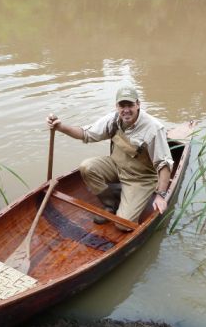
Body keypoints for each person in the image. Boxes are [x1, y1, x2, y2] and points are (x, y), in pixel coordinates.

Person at [46, 83, 173, 228]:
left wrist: (161, 195)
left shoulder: (153, 128)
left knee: (124, 225)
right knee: (87, 167)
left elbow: (165, 165)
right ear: (116, 106)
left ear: (138, 104)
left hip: (140, 179)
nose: (126, 110)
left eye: (130, 105)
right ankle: (110, 203)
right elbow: (86, 134)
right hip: (117, 166)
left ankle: (127, 195)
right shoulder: (112, 120)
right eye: (122, 105)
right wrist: (60, 127)